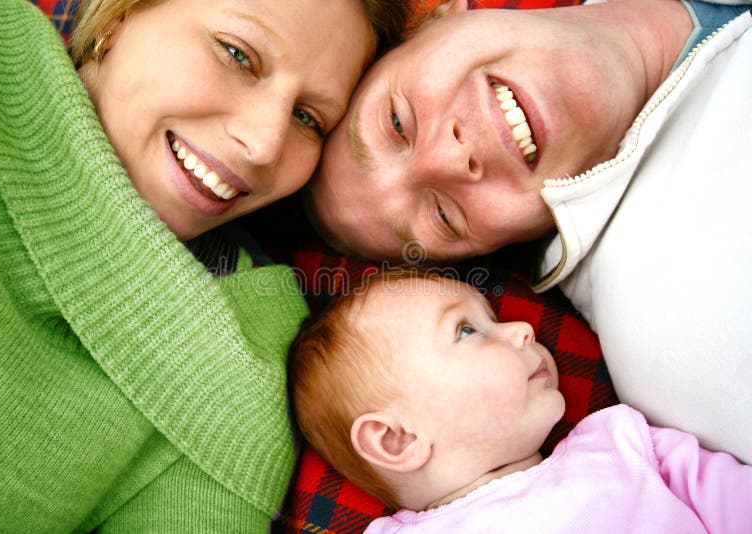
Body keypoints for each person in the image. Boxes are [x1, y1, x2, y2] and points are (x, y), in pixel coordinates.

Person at [0, 0, 409, 531]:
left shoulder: (247, 361)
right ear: (121, 15)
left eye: (307, 118)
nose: (263, 144)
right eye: (238, 55)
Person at [306, 0, 752, 464]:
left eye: (397, 123)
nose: (453, 160)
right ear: (496, 251)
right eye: (444, 215)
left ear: (432, 16)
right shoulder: (685, 327)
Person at [289, 270, 752, 533]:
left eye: (489, 319)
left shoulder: (624, 443)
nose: (521, 329)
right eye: (467, 330)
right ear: (396, 439)